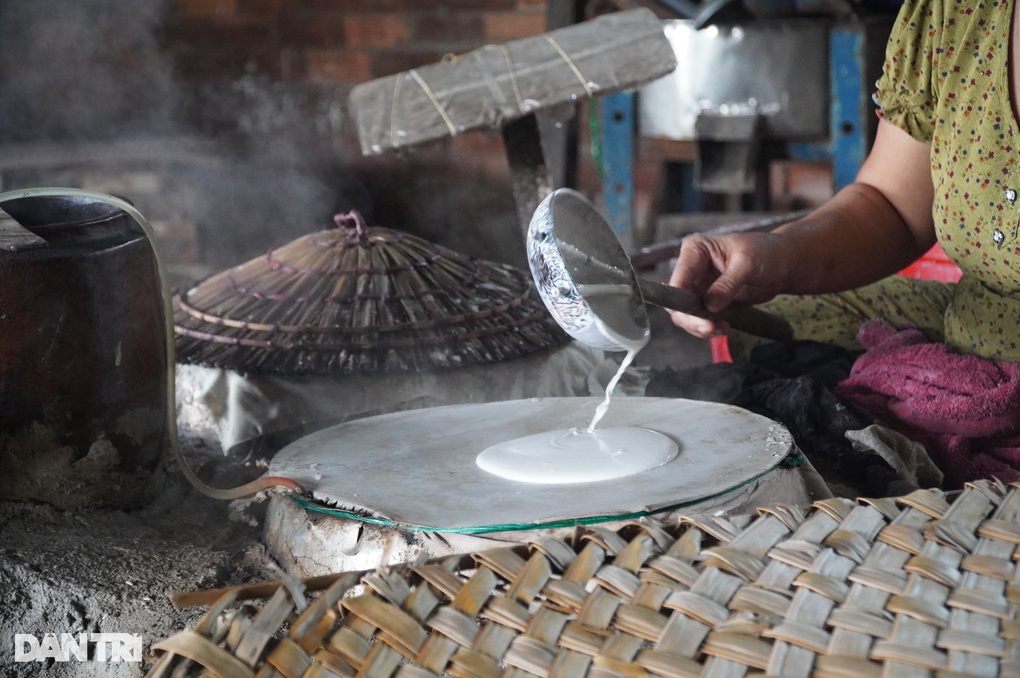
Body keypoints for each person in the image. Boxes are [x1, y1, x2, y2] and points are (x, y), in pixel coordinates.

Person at [667, 0, 1020, 363]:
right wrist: (779, 255)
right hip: (980, 323)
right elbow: (892, 203)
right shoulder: (958, 13)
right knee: (769, 327)